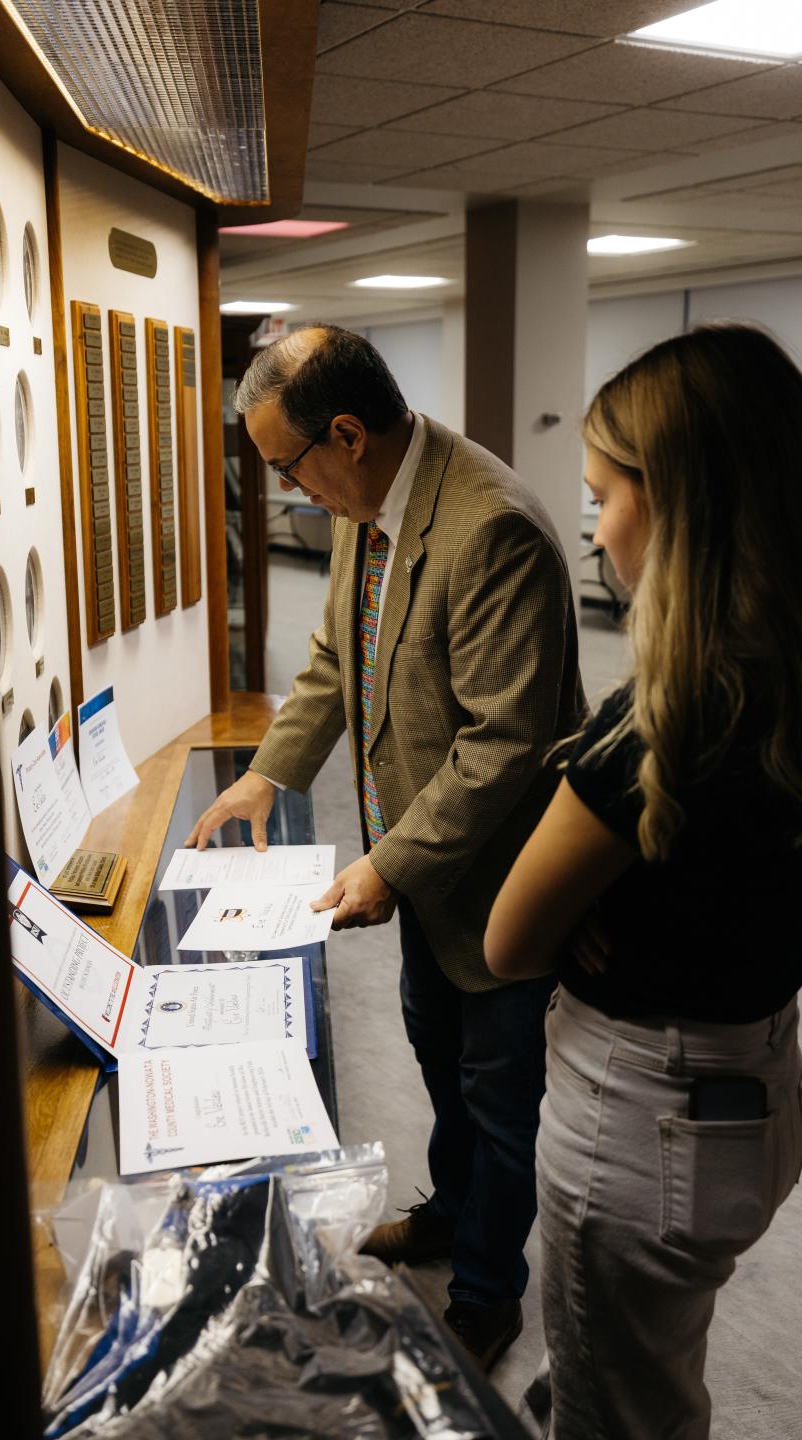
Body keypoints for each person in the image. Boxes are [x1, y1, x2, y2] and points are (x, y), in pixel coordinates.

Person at [186, 325, 584, 1368]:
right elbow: (335, 661)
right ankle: (452, 1215)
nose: (288, 485)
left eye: (287, 464)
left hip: (498, 887)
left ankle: (491, 1290)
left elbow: (507, 742)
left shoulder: (488, 527)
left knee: (500, 1098)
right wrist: (269, 773)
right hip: (420, 875)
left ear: (348, 434)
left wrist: (387, 864)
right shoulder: (373, 501)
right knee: (441, 1064)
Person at [484, 324, 802, 1439]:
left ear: (674, 505)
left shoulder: (665, 720)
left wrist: (590, 914)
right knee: (652, 1366)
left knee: (618, 1411)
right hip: (756, 1089)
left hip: (645, 1119)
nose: (593, 528)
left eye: (602, 494)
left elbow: (511, 940)